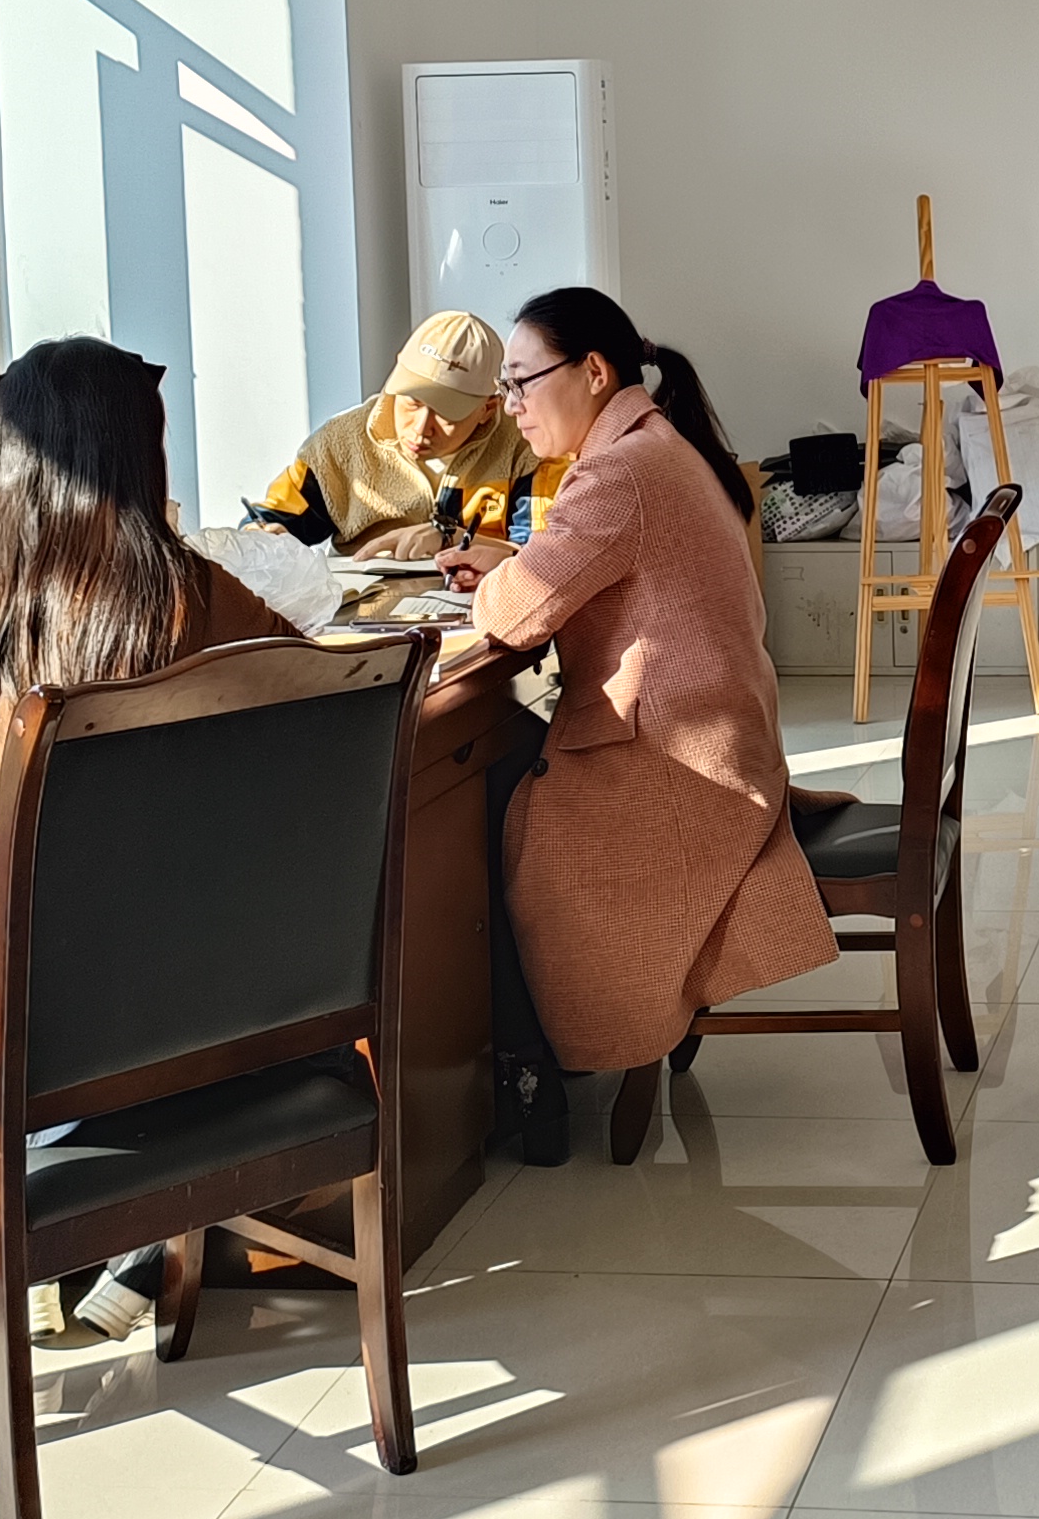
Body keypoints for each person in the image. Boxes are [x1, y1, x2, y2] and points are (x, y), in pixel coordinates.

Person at [0, 337, 303, 1339]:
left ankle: (6, 1232)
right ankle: (126, 1228)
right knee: (228, 945)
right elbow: (302, 690)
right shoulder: (178, 588)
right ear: (138, 452)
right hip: (81, 1008)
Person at [437, 286, 832, 1163]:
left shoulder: (619, 473)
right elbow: (568, 572)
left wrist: (498, 577)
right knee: (483, 777)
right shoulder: (653, 446)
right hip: (715, 741)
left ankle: (532, 1077)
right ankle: (529, 1066)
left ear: (592, 372)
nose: (511, 405)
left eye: (521, 382)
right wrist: (518, 563)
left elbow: (514, 616)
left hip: (679, 769)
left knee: (464, 811)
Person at [255, 311, 543, 557]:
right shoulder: (337, 444)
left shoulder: (527, 447)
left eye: (446, 413)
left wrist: (451, 537)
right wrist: (262, 536)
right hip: (359, 603)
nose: (420, 428)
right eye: (411, 402)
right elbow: (269, 521)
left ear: (488, 409)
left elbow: (543, 555)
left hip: (479, 601)